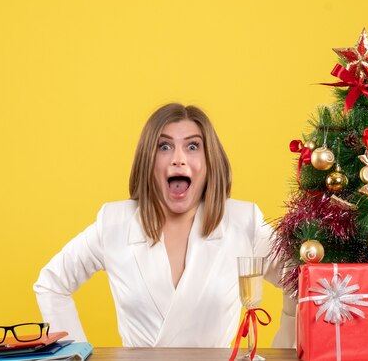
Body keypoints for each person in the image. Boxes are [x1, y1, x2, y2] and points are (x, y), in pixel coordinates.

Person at [33, 103, 295, 347]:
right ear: (148, 160)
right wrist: (77, 355)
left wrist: (283, 351)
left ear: (209, 162)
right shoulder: (113, 222)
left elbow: (301, 283)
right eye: (164, 146)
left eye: (192, 147)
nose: (178, 159)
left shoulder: (243, 222)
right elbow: (51, 284)